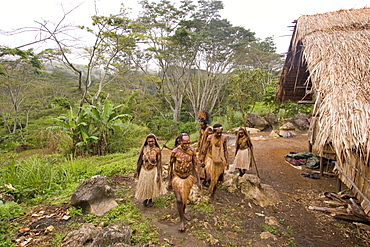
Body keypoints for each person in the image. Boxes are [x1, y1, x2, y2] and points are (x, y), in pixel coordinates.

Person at [168, 134, 202, 232]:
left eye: (188, 143)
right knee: (179, 199)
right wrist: (169, 181)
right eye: (185, 143)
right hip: (177, 178)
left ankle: (183, 212)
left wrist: (199, 181)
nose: (187, 145)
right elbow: (170, 166)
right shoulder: (175, 152)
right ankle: (182, 220)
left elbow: (195, 166)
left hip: (187, 178)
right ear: (180, 142)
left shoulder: (192, 151)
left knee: (184, 198)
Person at [135, 134, 164, 207]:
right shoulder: (144, 149)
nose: (151, 143)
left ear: (155, 141)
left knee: (151, 185)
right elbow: (140, 161)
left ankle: (150, 199)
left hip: (152, 170)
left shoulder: (157, 150)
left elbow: (159, 162)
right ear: (146, 142)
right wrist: (137, 171)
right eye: (149, 141)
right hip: (144, 170)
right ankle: (145, 198)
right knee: (145, 185)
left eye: (152, 141)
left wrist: (158, 172)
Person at [200, 124, 229, 198]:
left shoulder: (224, 138)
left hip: (219, 160)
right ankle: (210, 188)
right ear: (214, 132)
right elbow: (205, 149)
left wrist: (227, 161)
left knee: (216, 179)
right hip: (210, 159)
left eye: (220, 133)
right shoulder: (210, 138)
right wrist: (202, 160)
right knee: (209, 177)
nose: (219, 134)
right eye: (217, 133)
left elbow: (225, 150)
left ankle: (212, 193)